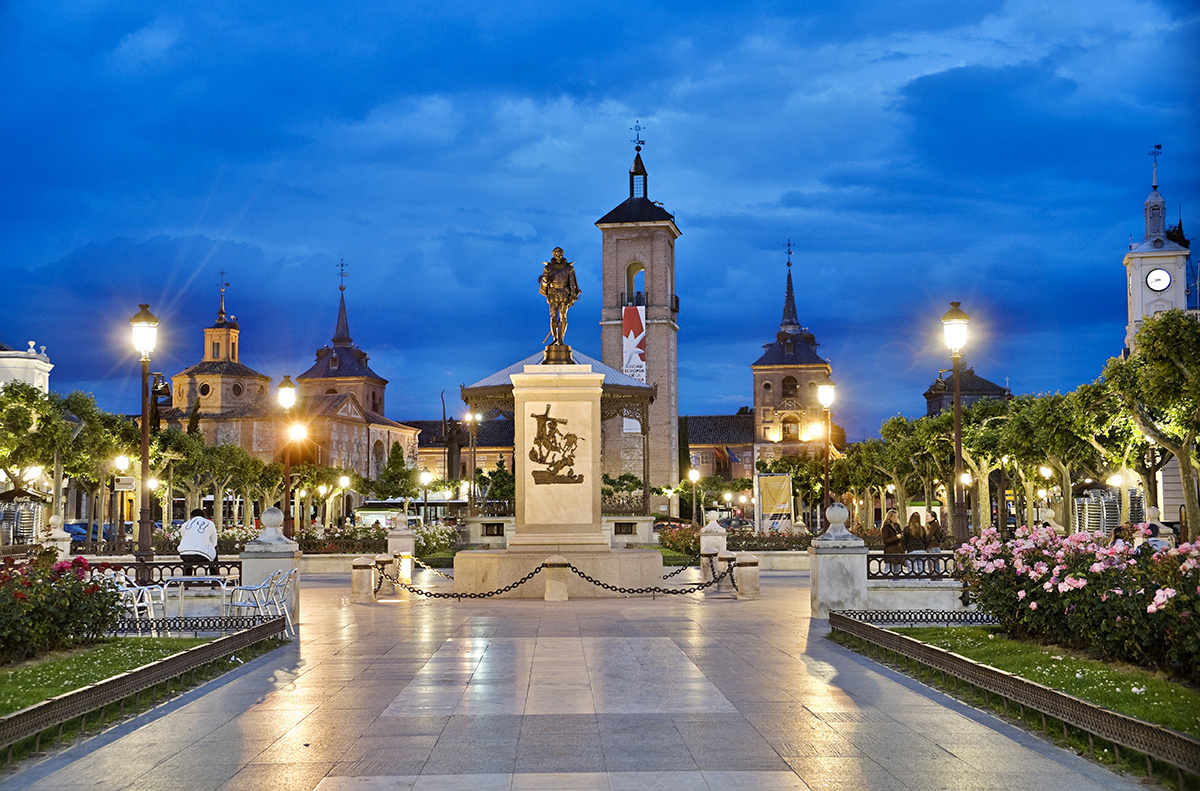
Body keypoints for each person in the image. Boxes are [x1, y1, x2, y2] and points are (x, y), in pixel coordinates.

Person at [538, 247, 581, 346]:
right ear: (553, 254)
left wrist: (572, 296)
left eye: (560, 253)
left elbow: (572, 283)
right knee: (553, 317)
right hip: (553, 294)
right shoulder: (548, 268)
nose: (558, 255)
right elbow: (545, 284)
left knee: (563, 317)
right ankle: (555, 338)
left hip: (564, 294)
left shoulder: (569, 268)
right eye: (556, 253)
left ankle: (561, 339)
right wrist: (544, 281)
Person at [178, 508, 218, 576]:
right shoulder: (210, 523)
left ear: (191, 516)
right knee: (214, 554)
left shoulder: (185, 524)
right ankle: (215, 579)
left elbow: (183, 537)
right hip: (202, 555)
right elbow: (214, 541)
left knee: (188, 559)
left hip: (184, 554)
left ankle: (187, 580)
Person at [881, 509, 903, 574]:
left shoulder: (898, 527)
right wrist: (896, 537)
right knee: (888, 571)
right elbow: (886, 540)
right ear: (889, 517)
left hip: (898, 551)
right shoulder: (886, 528)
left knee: (897, 571)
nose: (896, 518)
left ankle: (896, 583)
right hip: (890, 551)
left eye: (896, 517)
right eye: (894, 517)